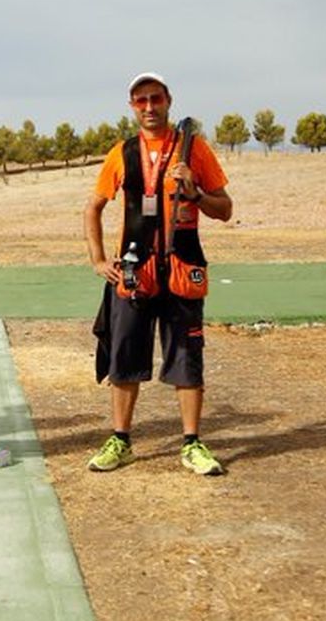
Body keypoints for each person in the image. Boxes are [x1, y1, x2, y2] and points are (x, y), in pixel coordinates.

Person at [84, 72, 233, 475]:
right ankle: (121, 440)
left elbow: (226, 209)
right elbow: (93, 208)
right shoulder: (123, 152)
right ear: (132, 107)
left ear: (169, 101)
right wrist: (99, 261)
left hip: (182, 270)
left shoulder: (194, 150)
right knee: (124, 358)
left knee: (187, 358)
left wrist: (197, 193)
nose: (149, 107)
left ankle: (191, 444)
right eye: (140, 101)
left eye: (155, 98)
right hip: (135, 274)